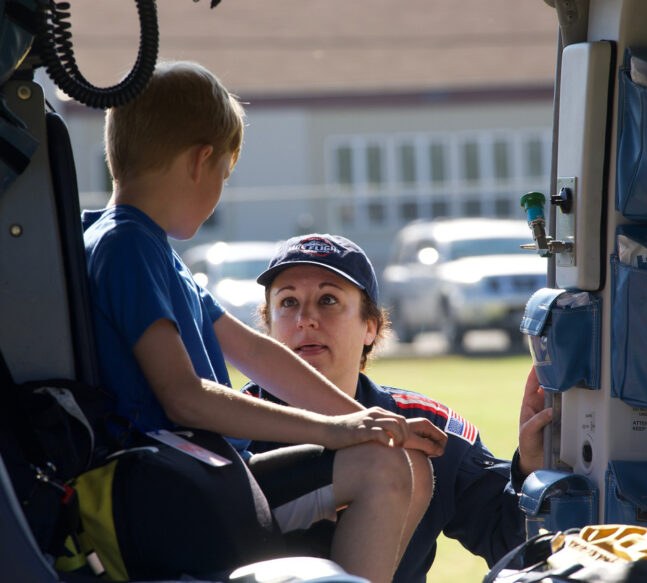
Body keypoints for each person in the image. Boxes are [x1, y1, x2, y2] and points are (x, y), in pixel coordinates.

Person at [82, 61, 447, 583]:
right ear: (201, 161)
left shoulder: (147, 247)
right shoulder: (126, 246)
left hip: (209, 479)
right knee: (386, 469)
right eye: (224, 176)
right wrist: (334, 429)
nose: (219, 193)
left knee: (403, 462)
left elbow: (254, 352)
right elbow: (184, 397)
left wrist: (367, 420)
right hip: (172, 494)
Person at [244, 233, 553, 583]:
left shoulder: (426, 429)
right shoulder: (233, 427)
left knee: (409, 459)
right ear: (266, 327)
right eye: (287, 303)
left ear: (370, 328)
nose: (305, 319)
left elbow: (512, 547)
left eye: (328, 299)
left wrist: (530, 467)